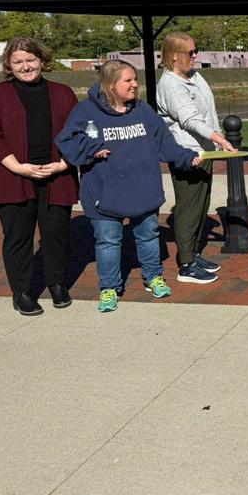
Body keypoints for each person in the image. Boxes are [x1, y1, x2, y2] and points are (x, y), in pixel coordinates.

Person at [56, 60, 201, 312]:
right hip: (104, 193)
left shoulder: (143, 111)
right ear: (111, 84)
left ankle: (153, 277)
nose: (135, 84)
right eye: (128, 80)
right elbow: (67, 140)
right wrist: (91, 149)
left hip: (143, 189)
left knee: (148, 235)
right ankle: (109, 288)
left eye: (135, 79)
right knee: (108, 242)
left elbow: (165, 142)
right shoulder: (86, 111)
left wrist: (187, 157)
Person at [0, 37, 79, 316]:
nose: (25, 66)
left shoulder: (62, 93)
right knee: (18, 238)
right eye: (18, 61)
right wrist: (18, 166)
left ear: (41, 60)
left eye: (30, 60)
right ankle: (21, 292)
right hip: (12, 176)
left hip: (56, 175)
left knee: (56, 234)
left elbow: (78, 131)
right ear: (9, 65)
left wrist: (63, 164)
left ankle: (57, 284)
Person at [156, 31, 236, 285]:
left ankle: (194, 253)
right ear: (174, 55)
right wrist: (220, 139)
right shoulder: (170, 84)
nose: (195, 56)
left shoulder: (194, 76)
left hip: (205, 150)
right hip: (187, 154)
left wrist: (215, 138)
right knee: (189, 207)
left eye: (196, 50)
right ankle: (186, 264)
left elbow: (208, 113)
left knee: (201, 204)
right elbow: (190, 119)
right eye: (190, 52)